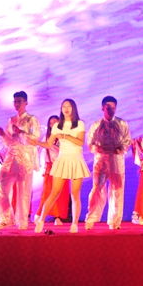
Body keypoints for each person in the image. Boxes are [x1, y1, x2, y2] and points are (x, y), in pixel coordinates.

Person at [34, 99, 90, 233]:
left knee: (75, 194)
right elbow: (49, 144)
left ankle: (74, 224)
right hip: (62, 159)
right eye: (64, 106)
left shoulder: (79, 124)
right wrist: (36, 142)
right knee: (54, 192)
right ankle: (41, 221)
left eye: (69, 106)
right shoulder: (57, 126)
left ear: (73, 108)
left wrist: (64, 135)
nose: (66, 108)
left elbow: (80, 142)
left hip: (76, 159)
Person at [0, 91, 41, 231]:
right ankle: (6, 219)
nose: (17, 104)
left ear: (26, 102)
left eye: (19, 101)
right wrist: (3, 135)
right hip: (11, 156)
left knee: (23, 190)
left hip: (25, 157)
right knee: (1, 186)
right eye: (15, 101)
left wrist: (21, 133)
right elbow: (9, 142)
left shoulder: (31, 119)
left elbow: (35, 139)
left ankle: (23, 221)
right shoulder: (12, 120)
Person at [85, 96, 131, 231]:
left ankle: (115, 221)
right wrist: (96, 148)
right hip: (101, 160)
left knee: (117, 190)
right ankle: (91, 219)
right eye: (108, 107)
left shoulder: (122, 124)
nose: (111, 110)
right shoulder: (96, 125)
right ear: (102, 108)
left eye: (113, 108)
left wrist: (121, 149)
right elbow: (90, 143)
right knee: (97, 189)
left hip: (116, 160)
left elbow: (127, 140)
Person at [34, 115, 70, 226]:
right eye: (51, 123)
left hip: (63, 167)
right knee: (47, 192)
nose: (53, 124)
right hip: (51, 167)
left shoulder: (65, 137)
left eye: (55, 122)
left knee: (61, 193)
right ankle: (40, 214)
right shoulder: (47, 138)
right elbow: (38, 150)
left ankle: (58, 217)